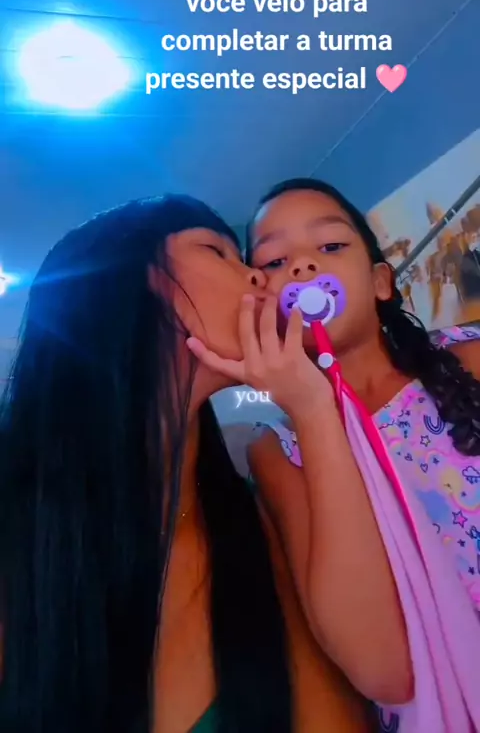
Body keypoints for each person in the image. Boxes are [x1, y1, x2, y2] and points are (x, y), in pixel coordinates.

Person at [0, 195, 371, 733]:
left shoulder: (255, 517)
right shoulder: (21, 526)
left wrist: (313, 404)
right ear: (129, 281)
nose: (261, 278)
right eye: (217, 251)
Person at [187, 178, 480, 720]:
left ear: (380, 282)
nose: (303, 266)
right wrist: (312, 408)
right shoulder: (277, 453)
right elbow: (380, 671)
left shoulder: (470, 360)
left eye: (330, 245)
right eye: (274, 262)